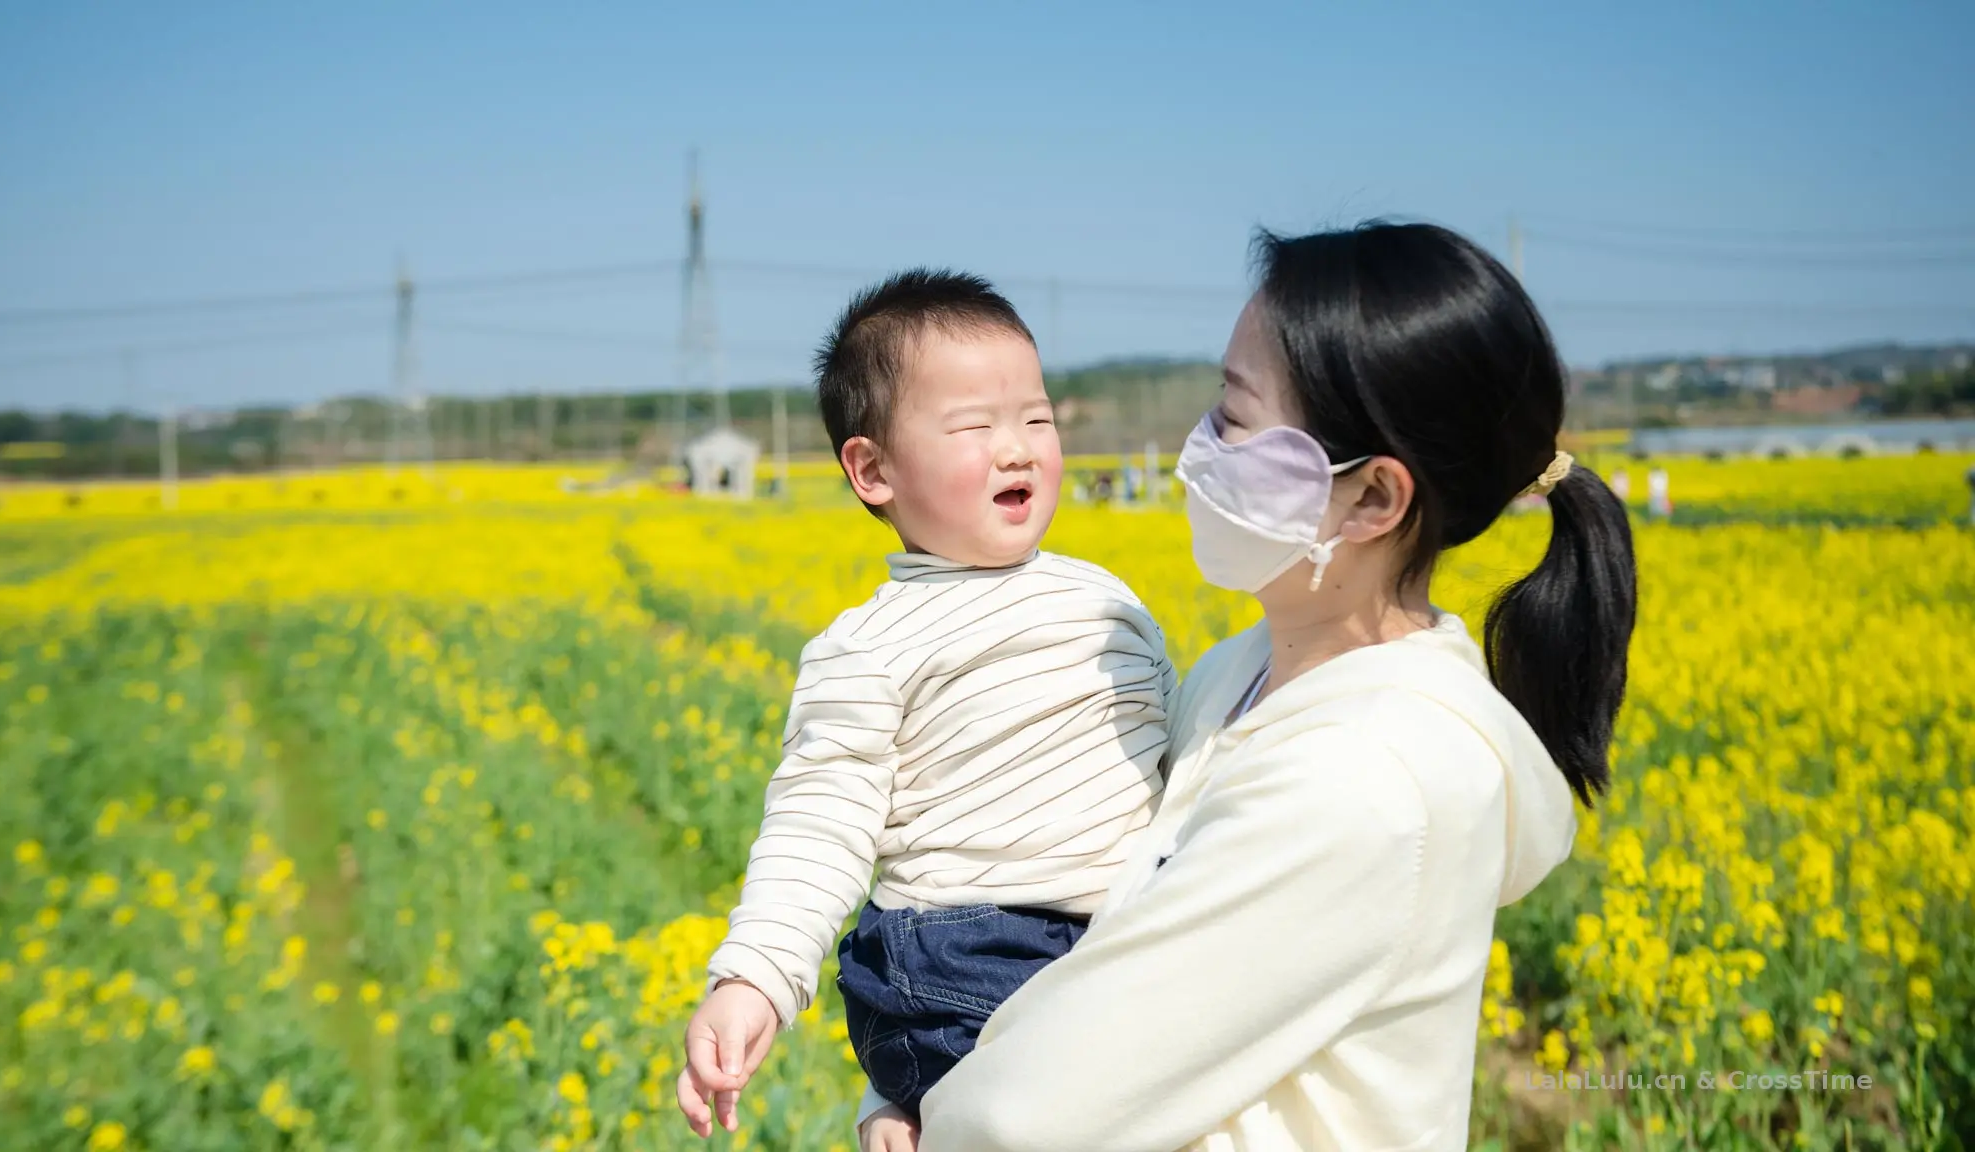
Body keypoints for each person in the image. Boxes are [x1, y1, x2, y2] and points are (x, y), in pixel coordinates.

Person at [859, 222, 1638, 1151]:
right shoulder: (1247, 670)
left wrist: (914, 1103)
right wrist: (908, 1083)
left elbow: (1033, 1115)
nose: (1199, 448)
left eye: (1234, 417)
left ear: (1375, 499)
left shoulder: (1368, 778)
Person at [676, 269, 1177, 1136]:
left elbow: (1173, 758)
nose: (1017, 447)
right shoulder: (870, 645)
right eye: (976, 426)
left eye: (1037, 417)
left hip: (1120, 936)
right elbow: (820, 821)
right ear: (872, 470)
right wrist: (755, 976)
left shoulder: (1108, 596)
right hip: (965, 956)